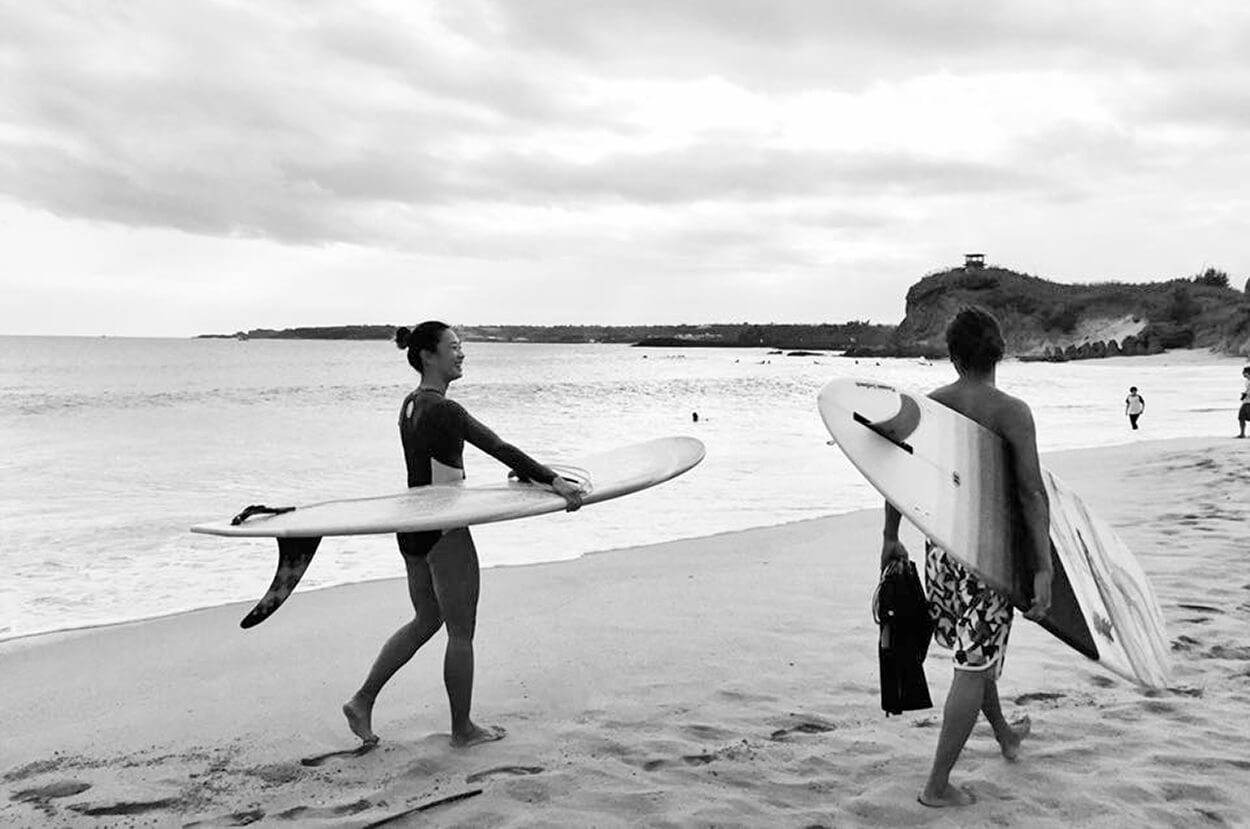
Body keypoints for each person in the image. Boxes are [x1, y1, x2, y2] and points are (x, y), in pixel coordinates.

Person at [342, 321, 584, 749]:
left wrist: (525, 475)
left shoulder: (410, 404)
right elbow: (497, 446)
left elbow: (436, 462)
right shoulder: (445, 409)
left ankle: (362, 700)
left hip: (412, 523)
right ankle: (463, 730)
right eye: (453, 347)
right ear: (428, 355)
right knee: (460, 631)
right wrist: (552, 480)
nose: (461, 353)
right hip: (445, 525)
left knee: (426, 619)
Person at [880, 306, 1052, 808]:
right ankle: (936, 786)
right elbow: (1031, 494)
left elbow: (898, 473)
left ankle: (1005, 734)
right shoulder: (1012, 412)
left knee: (974, 653)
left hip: (943, 551)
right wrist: (1043, 567)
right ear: (1000, 351)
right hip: (989, 557)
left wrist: (890, 536)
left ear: (952, 356)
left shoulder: (932, 405)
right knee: (973, 666)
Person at [1239, 367, 1250, 438]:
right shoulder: (1247, 381)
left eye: (1244, 372)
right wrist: (1244, 394)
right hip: (1246, 401)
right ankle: (1242, 433)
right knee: (1241, 417)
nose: (1243, 374)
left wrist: (1246, 394)